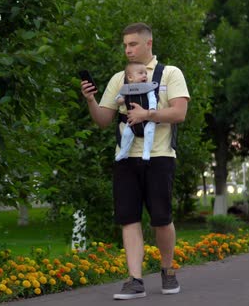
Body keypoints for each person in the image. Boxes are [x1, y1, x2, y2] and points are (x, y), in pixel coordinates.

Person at [80, 22, 190, 300]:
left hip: (160, 157)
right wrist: (91, 100)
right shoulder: (119, 79)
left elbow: (179, 113)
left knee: (161, 220)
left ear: (148, 44)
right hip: (126, 159)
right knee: (128, 219)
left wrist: (147, 115)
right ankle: (135, 280)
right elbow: (104, 120)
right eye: (125, 45)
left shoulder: (170, 74)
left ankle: (167, 270)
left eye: (133, 44)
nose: (127, 50)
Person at [114, 61, 158, 161]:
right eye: (141, 73)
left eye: (145, 73)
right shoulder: (125, 89)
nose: (144, 75)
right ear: (130, 78)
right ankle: (123, 152)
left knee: (150, 132)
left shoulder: (149, 88)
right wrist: (119, 100)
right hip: (131, 121)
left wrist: (152, 108)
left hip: (148, 120)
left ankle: (146, 151)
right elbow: (118, 98)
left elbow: (152, 98)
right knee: (126, 134)